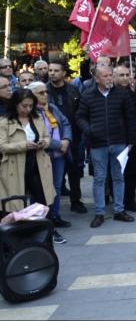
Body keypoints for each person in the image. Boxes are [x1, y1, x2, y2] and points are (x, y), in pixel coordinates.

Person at [76, 65, 136, 227]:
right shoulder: (87, 95)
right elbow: (80, 117)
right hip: (97, 144)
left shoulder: (123, 95)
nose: (109, 78)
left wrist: (130, 142)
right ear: (96, 78)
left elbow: (131, 119)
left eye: (110, 75)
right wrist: (89, 130)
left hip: (119, 143)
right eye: (105, 76)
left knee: (118, 177)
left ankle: (119, 210)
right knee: (99, 179)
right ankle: (99, 213)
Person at [0, 91, 56, 233]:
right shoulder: (5, 122)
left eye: (31, 106)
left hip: (37, 163)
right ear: (15, 105)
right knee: (17, 200)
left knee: (42, 198)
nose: (27, 109)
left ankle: (44, 230)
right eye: (24, 106)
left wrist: (44, 142)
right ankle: (20, 232)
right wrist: (23, 145)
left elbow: (47, 136)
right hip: (15, 166)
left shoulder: (37, 119)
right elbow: (2, 146)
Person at [28, 83, 72, 243]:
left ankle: (55, 216)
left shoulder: (51, 107)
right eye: (41, 92)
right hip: (42, 155)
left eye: (46, 92)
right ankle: (41, 220)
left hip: (59, 155)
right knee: (41, 189)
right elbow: (38, 136)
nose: (45, 94)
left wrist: (66, 140)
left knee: (57, 186)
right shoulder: (30, 112)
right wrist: (58, 144)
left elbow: (66, 123)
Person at [47, 59, 86, 214]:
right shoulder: (44, 90)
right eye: (50, 70)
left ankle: (76, 201)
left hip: (74, 138)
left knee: (75, 171)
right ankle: (52, 208)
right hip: (52, 139)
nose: (52, 73)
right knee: (54, 175)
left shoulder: (73, 91)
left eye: (56, 71)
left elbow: (80, 112)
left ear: (63, 73)